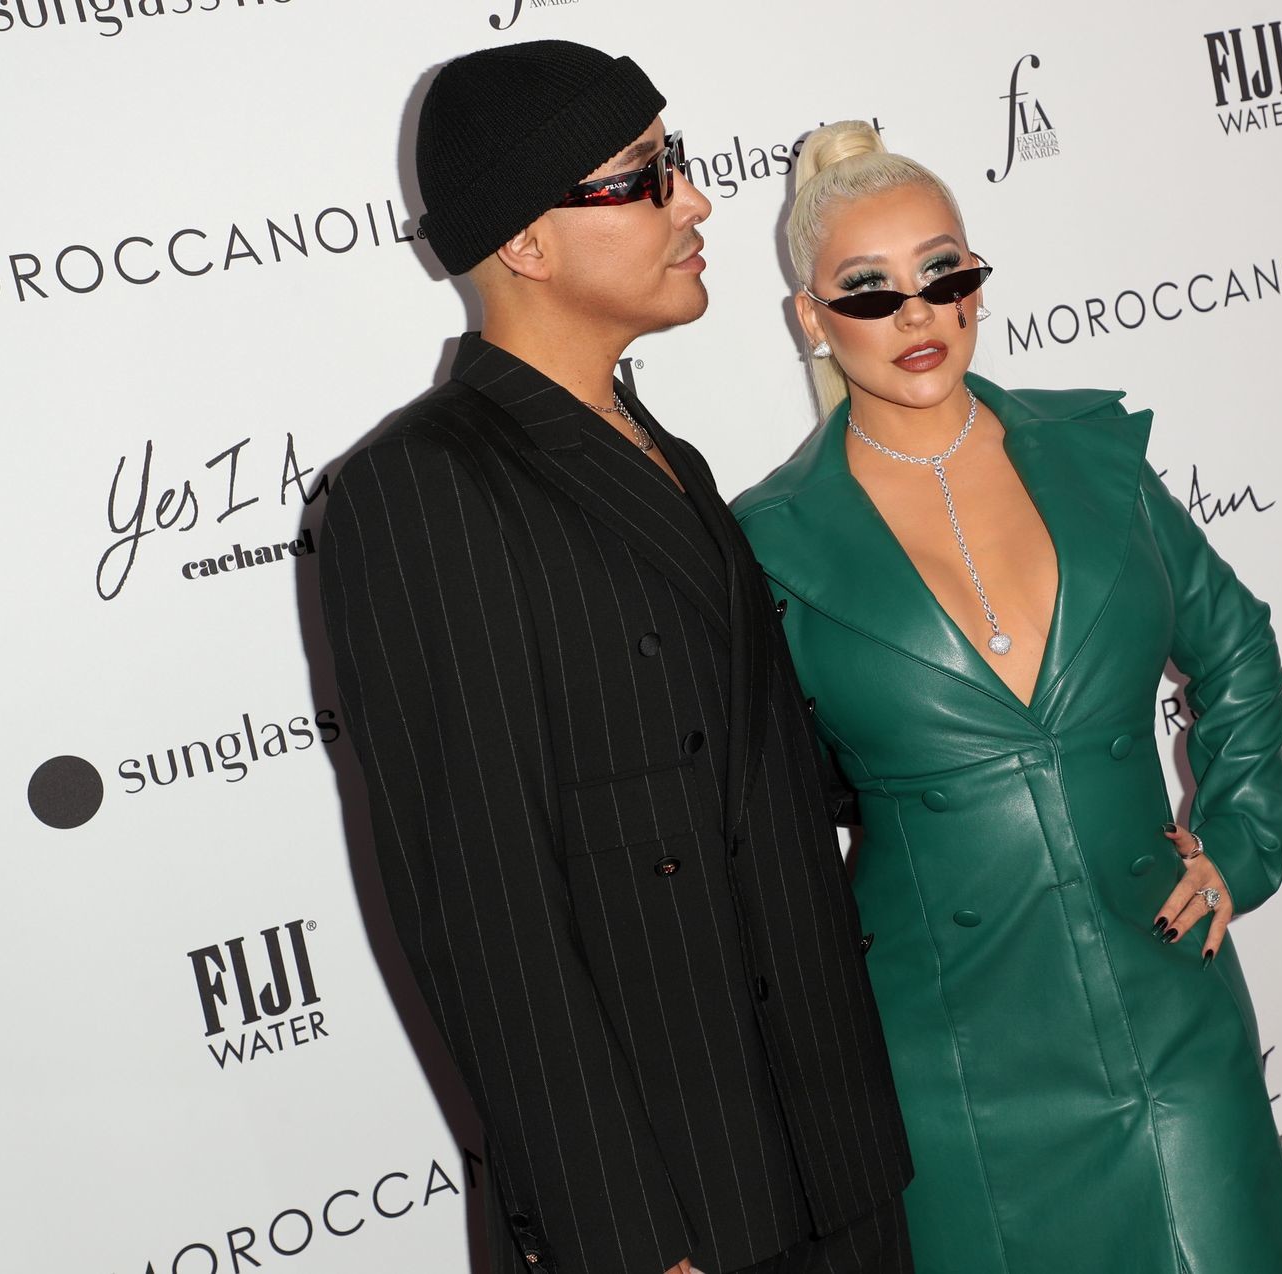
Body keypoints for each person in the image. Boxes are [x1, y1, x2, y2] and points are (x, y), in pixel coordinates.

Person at [317, 48, 912, 1274]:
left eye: (675, 163)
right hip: (672, 1209)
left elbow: (773, 783)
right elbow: (484, 905)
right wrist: (622, 1239)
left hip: (833, 1162)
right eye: (645, 177)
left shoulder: (671, 458)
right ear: (525, 240)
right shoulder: (419, 489)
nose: (696, 201)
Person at [731, 122, 1282, 1274]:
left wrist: (1240, 841)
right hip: (950, 1056)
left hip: (1166, 1004)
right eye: (871, 290)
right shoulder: (772, 542)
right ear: (811, 316)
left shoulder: (1093, 456)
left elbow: (1236, 643)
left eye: (945, 273)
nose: (919, 313)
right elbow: (768, 806)